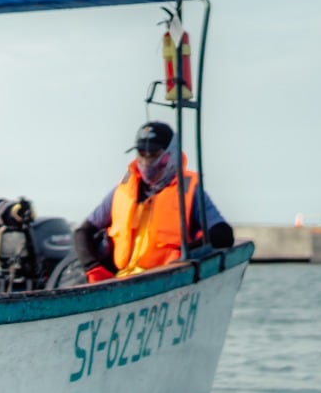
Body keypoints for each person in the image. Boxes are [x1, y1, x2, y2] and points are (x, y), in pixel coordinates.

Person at [72, 120, 233, 282]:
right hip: (119, 282)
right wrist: (93, 267)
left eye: (154, 154)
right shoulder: (123, 191)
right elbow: (82, 232)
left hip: (167, 280)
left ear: (171, 154)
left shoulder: (190, 192)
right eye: (142, 154)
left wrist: (185, 254)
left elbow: (222, 234)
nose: (146, 162)